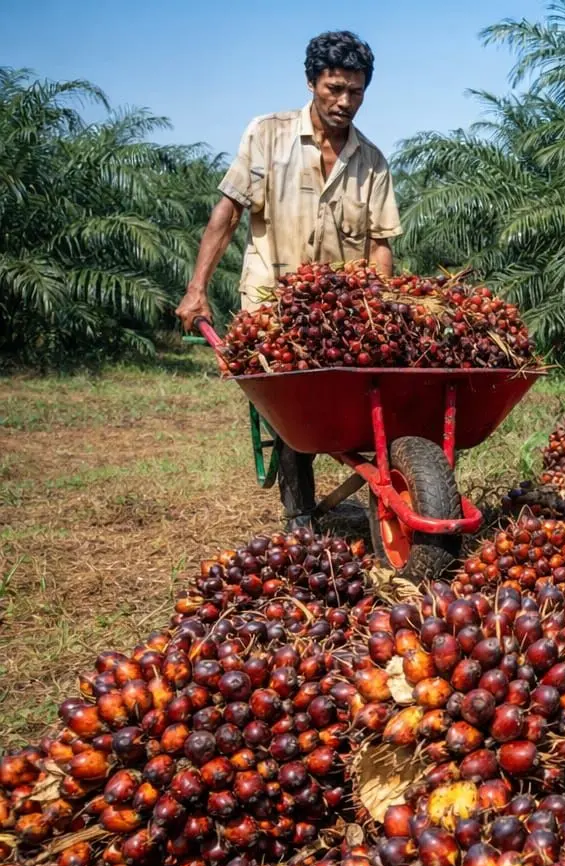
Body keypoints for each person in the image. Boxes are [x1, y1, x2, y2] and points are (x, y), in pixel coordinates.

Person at [177, 30, 402, 528]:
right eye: (335, 89)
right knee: (291, 404)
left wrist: (378, 310)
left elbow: (381, 245)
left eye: (356, 92)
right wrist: (196, 290)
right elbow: (228, 212)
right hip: (272, 299)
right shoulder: (268, 134)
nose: (345, 102)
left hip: (340, 309)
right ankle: (300, 509)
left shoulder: (372, 162)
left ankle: (379, 491)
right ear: (311, 82)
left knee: (357, 399)